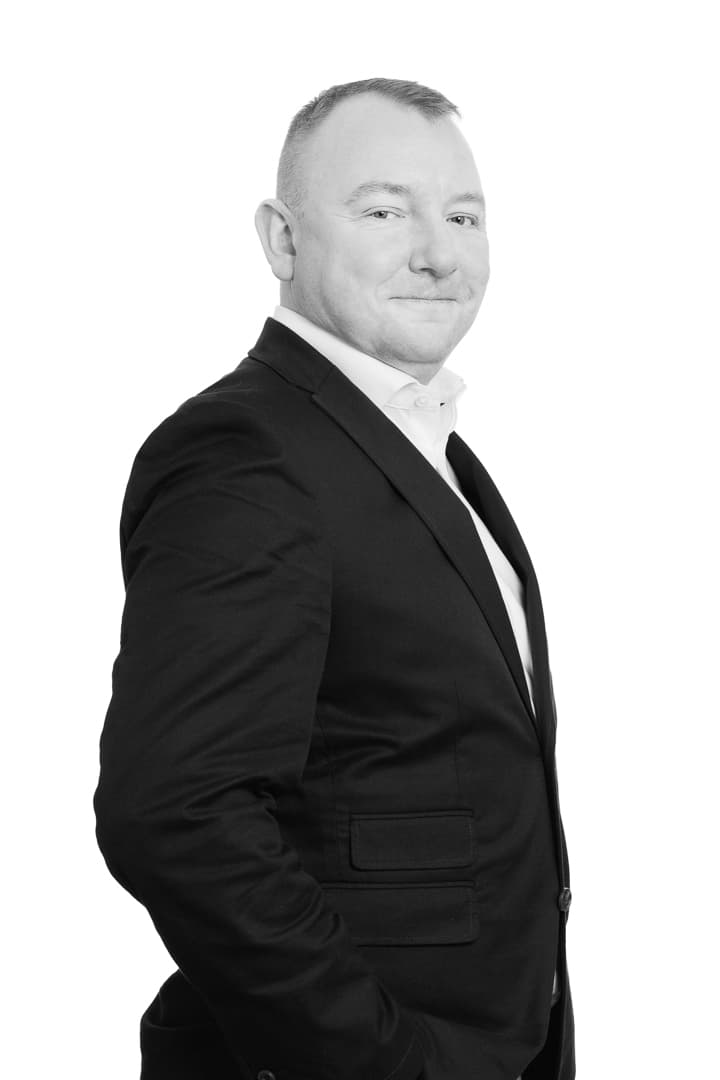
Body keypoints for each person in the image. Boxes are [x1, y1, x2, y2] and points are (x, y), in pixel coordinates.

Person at [93, 77, 575, 1080]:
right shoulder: (245, 453)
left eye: (463, 216)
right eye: (385, 211)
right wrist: (380, 1060)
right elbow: (176, 813)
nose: (438, 253)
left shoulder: (421, 443)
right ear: (282, 240)